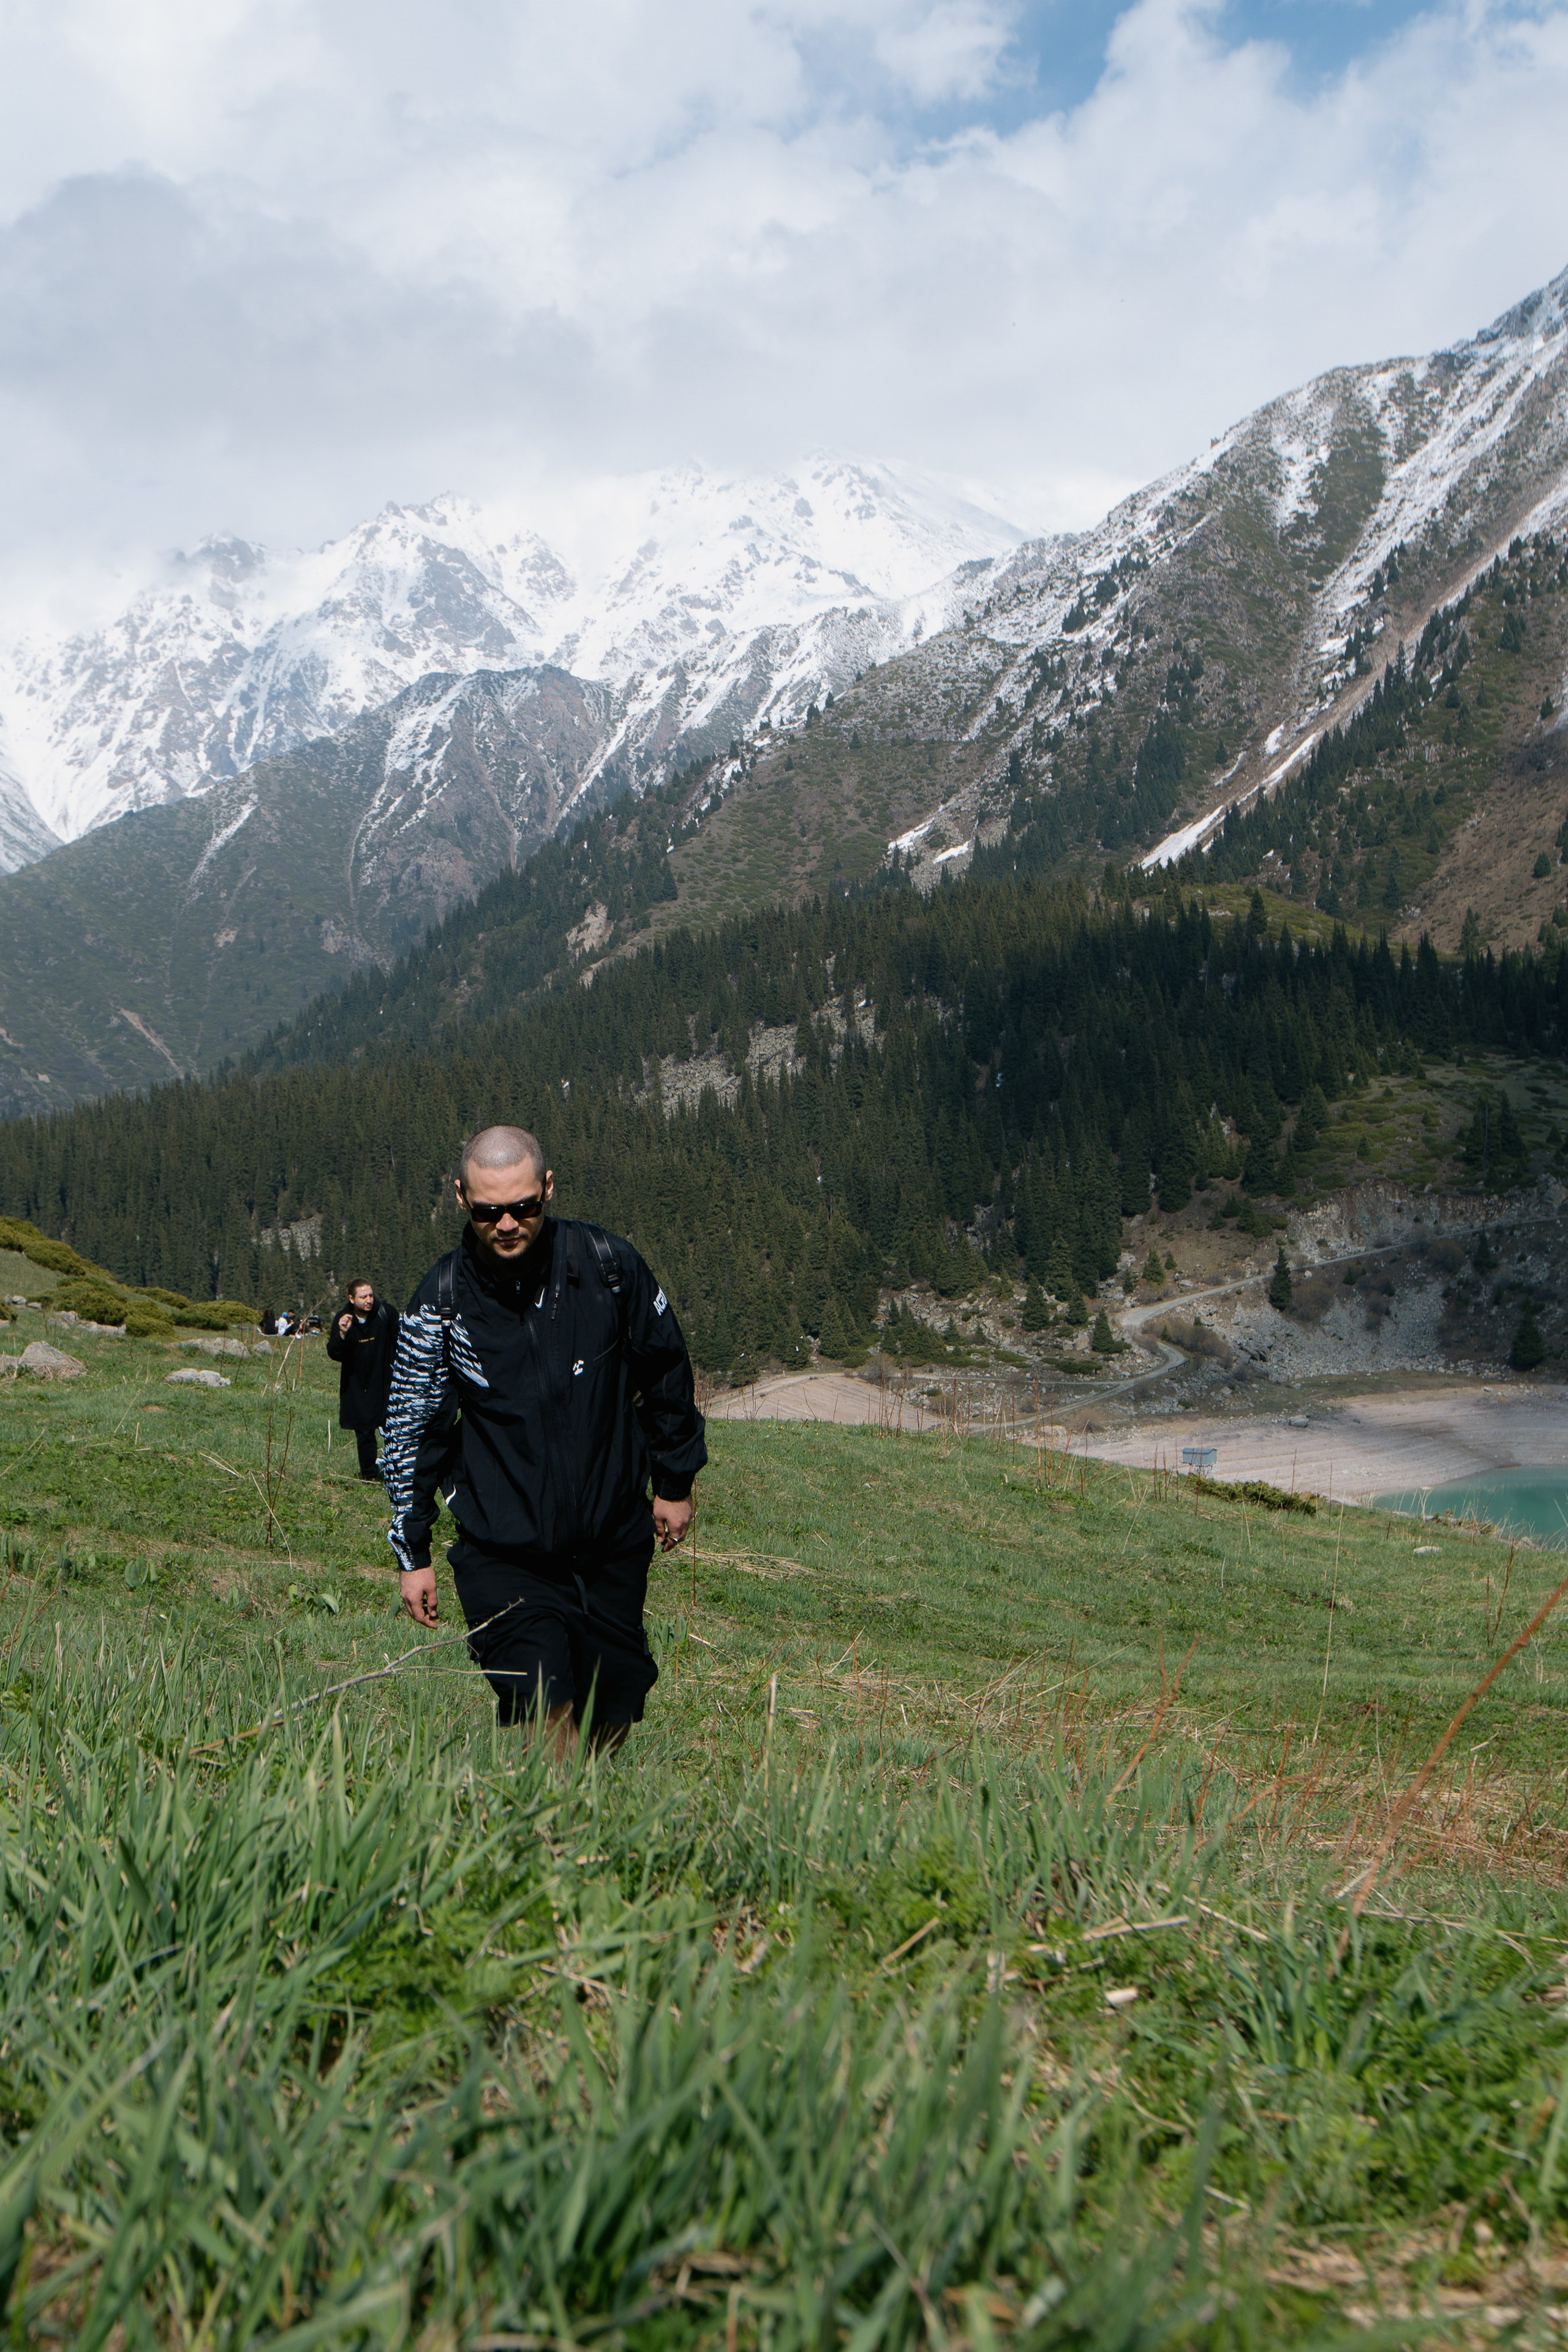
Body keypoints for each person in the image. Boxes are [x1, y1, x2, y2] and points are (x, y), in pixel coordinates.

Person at [382, 1125, 706, 1754]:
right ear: (461, 1199)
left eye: (524, 1206)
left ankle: (585, 1828)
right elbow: (412, 1428)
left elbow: (665, 1369)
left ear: (548, 1189)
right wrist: (412, 1551)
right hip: (505, 1551)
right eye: (488, 1211)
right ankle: (547, 1836)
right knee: (542, 1706)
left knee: (610, 1711)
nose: (508, 1223)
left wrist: (673, 1482)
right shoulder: (442, 1301)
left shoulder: (608, 1265)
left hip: (612, 1542)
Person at [326, 1279, 400, 1480]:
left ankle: (398, 1473)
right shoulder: (343, 1320)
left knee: (393, 1430)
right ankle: (369, 1476)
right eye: (363, 1297)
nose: (369, 1300)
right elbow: (334, 1353)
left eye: (371, 1295)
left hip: (386, 1383)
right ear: (351, 1299)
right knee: (365, 1433)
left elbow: (402, 1342)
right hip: (357, 1385)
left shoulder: (386, 1313)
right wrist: (342, 1334)